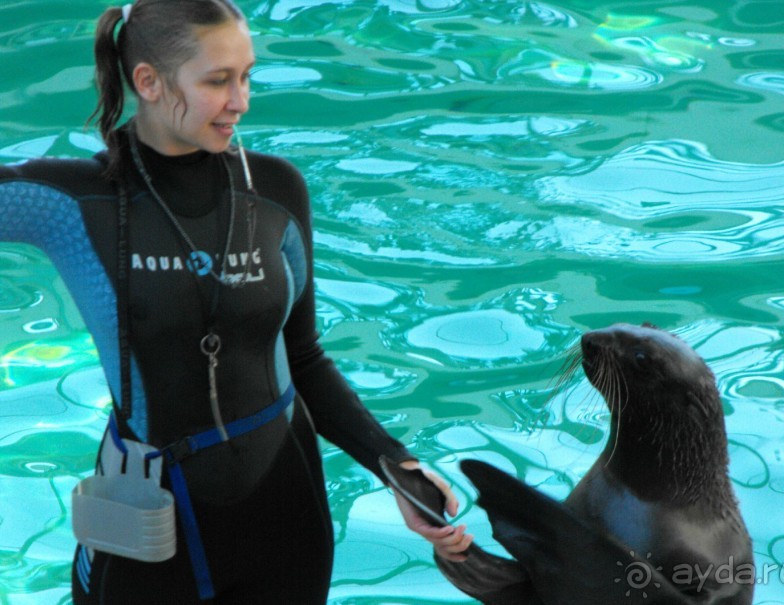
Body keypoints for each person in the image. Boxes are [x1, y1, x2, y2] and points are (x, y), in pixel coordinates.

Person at [0, 1, 472, 602]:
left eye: (247, 75)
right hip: (145, 526)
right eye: (218, 80)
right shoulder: (74, 203)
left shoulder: (274, 191)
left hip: (286, 515)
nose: (241, 100)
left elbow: (303, 357)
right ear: (148, 81)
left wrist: (393, 464)